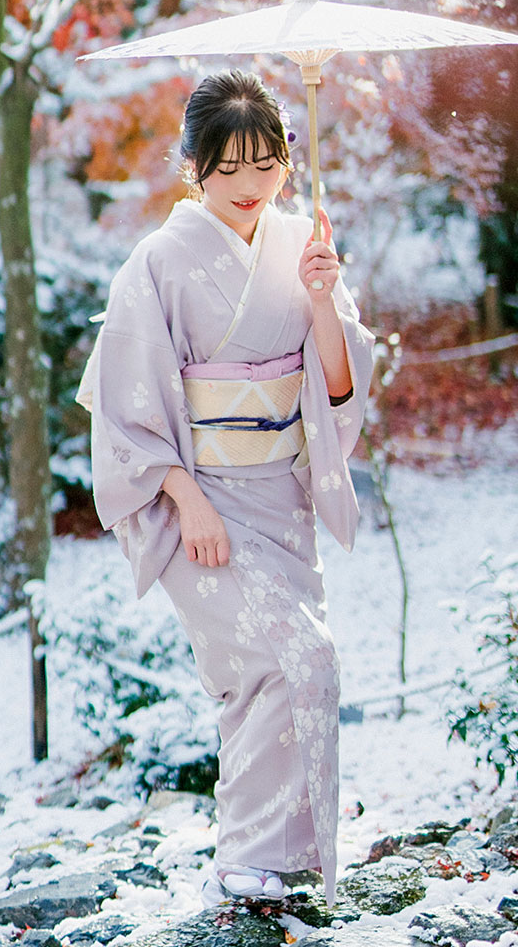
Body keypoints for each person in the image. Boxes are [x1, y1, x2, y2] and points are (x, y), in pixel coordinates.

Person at [82, 69, 374, 907]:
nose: (250, 187)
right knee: (279, 659)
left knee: (293, 670)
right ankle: (248, 851)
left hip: (281, 496)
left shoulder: (302, 245)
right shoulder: (160, 261)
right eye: (228, 168)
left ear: (287, 158)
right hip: (199, 499)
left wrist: (323, 300)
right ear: (194, 168)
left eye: (266, 165)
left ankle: (271, 857)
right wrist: (187, 496)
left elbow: (341, 392)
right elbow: (124, 406)